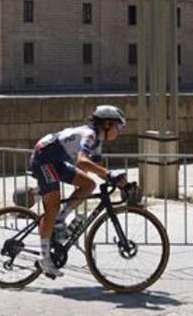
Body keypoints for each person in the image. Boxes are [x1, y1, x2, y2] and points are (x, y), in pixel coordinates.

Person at [28, 105, 128, 279]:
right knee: (51, 209)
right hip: (43, 157)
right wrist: (108, 174)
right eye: (118, 127)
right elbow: (82, 161)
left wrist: (119, 182)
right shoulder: (89, 135)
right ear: (107, 124)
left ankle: (60, 218)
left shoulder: (98, 141)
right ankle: (44, 258)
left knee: (88, 185)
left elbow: (96, 168)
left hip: (56, 160)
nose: (118, 132)